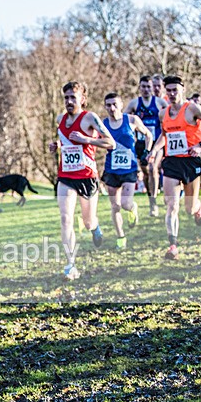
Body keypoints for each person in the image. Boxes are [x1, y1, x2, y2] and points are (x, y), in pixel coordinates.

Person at [147, 75, 201, 260]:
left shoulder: (192, 109)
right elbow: (164, 136)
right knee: (171, 205)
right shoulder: (163, 113)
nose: (171, 94)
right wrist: (155, 150)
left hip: (191, 161)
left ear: (182, 91)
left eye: (175, 90)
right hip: (172, 162)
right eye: (168, 90)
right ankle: (173, 246)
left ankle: (198, 207)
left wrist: (200, 145)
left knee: (189, 208)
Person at [49, 81, 115, 280]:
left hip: (87, 177)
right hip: (66, 176)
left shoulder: (90, 118)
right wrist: (57, 145)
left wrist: (88, 140)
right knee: (66, 218)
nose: (69, 101)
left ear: (83, 99)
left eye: (73, 97)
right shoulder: (61, 118)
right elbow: (67, 140)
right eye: (66, 97)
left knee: (87, 221)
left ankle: (95, 227)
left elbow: (110, 143)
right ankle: (71, 265)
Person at [102, 92, 152, 250]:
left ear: (121, 105)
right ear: (105, 107)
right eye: (108, 105)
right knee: (115, 206)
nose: (112, 108)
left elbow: (148, 135)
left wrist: (146, 151)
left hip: (129, 168)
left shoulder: (131, 120)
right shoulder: (102, 124)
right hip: (111, 169)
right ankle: (120, 237)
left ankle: (133, 209)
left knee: (125, 203)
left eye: (115, 104)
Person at [125, 75, 168, 217]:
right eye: (143, 87)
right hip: (141, 143)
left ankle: (153, 203)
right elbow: (123, 118)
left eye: (149, 87)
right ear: (139, 88)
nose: (146, 89)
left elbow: (172, 113)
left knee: (152, 168)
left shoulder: (160, 102)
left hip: (156, 142)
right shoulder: (134, 104)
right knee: (145, 173)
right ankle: (151, 195)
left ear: (153, 88)